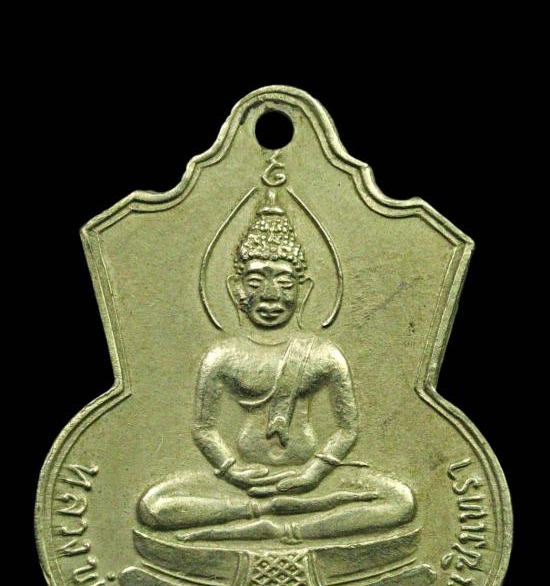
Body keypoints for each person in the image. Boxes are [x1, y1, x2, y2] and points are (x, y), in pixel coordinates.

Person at [138, 189, 415, 544]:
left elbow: (347, 429)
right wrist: (232, 471)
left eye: (285, 283)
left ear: (304, 289)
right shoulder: (222, 356)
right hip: (244, 482)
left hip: (313, 478)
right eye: (255, 282)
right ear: (236, 289)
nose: (270, 295)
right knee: (154, 506)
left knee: (401, 501)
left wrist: (315, 472)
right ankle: (264, 513)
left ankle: (287, 527)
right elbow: (204, 428)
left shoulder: (324, 354)